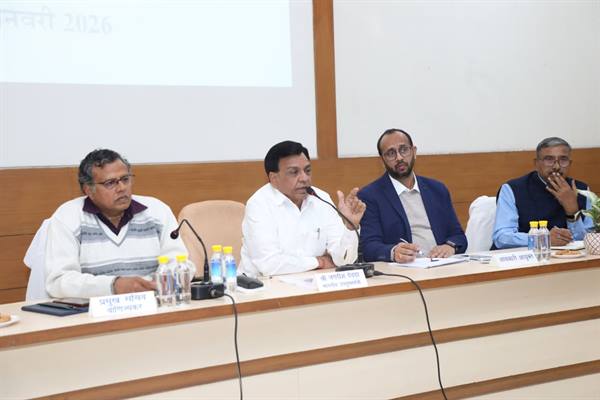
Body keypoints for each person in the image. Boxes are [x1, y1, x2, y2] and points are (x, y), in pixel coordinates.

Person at [45, 149, 189, 298]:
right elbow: (58, 282)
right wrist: (113, 286)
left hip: (154, 303)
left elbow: (181, 263)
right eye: (110, 183)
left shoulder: (157, 211)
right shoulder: (68, 217)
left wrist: (156, 284)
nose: (122, 188)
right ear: (88, 190)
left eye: (125, 179)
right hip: (97, 309)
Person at [240, 140, 366, 277]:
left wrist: (350, 227)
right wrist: (319, 262)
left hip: (313, 282)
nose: (304, 178)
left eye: (307, 170)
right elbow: (269, 264)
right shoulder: (259, 204)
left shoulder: (321, 199)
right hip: (263, 285)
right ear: (274, 178)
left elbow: (344, 260)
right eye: (294, 172)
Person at [358, 129, 467, 263]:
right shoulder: (370, 196)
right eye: (391, 153)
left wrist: (449, 247)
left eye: (404, 150)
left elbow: (458, 236)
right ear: (382, 160)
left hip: (442, 264)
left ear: (414, 152)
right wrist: (393, 252)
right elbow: (369, 247)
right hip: (406, 269)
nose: (399, 158)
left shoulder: (437, 189)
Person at [493, 137, 593, 249]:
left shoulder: (582, 190)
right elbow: (501, 238)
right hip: (525, 256)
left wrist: (572, 212)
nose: (556, 166)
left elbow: (590, 240)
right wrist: (543, 239)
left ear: (570, 163)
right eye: (549, 159)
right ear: (536, 163)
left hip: (568, 257)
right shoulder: (512, 189)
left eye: (563, 160)